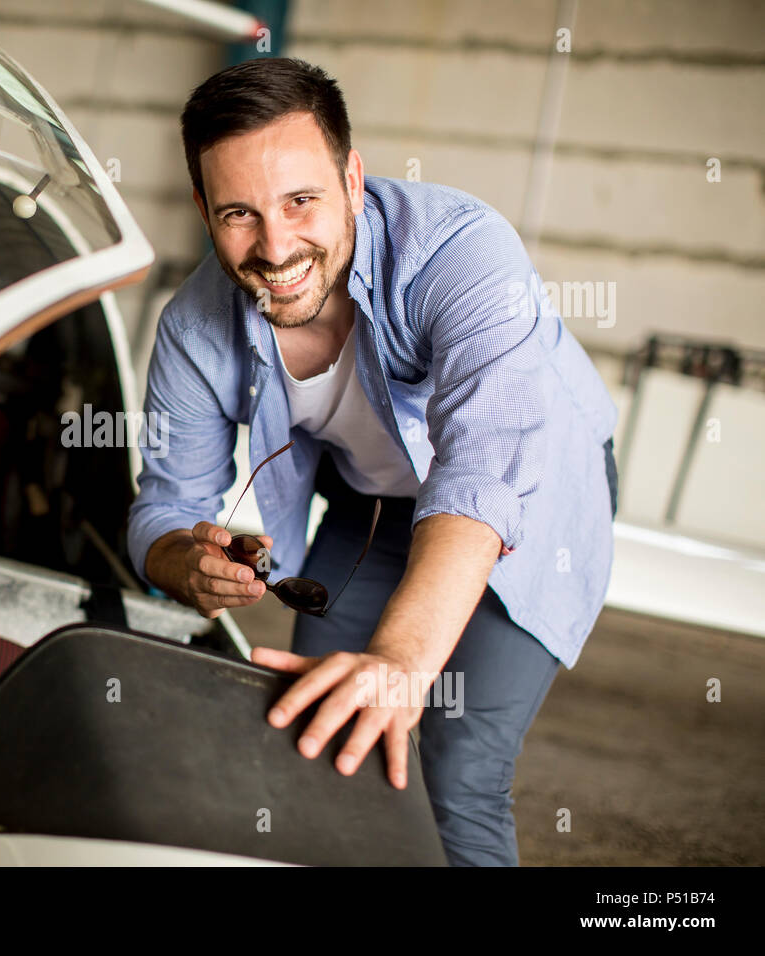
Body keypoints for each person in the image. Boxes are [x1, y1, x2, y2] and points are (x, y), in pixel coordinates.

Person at [126, 57, 619, 866]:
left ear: (353, 178)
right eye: (239, 214)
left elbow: (484, 476)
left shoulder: (462, 252)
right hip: (377, 502)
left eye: (301, 201)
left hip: (531, 497)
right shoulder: (194, 326)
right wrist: (186, 561)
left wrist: (398, 662)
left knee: (455, 772)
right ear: (202, 209)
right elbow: (165, 505)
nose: (276, 245)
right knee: (313, 734)